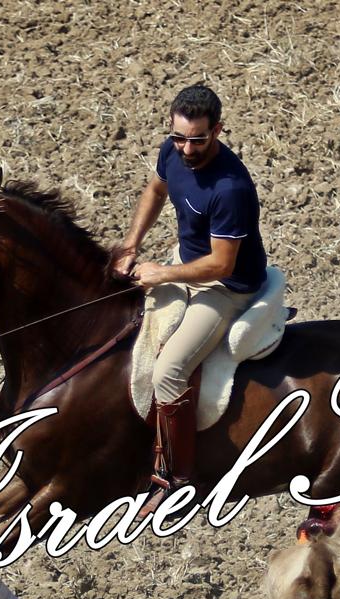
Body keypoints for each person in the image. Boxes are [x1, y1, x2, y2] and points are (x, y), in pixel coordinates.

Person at [113, 84, 268, 515]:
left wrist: (162, 273)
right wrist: (130, 246)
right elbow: (155, 191)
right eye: (179, 137)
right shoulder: (172, 151)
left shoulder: (230, 188)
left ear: (218, 130)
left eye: (197, 140)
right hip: (186, 264)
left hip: (226, 288)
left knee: (169, 371)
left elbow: (221, 264)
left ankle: (178, 482)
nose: (186, 149)